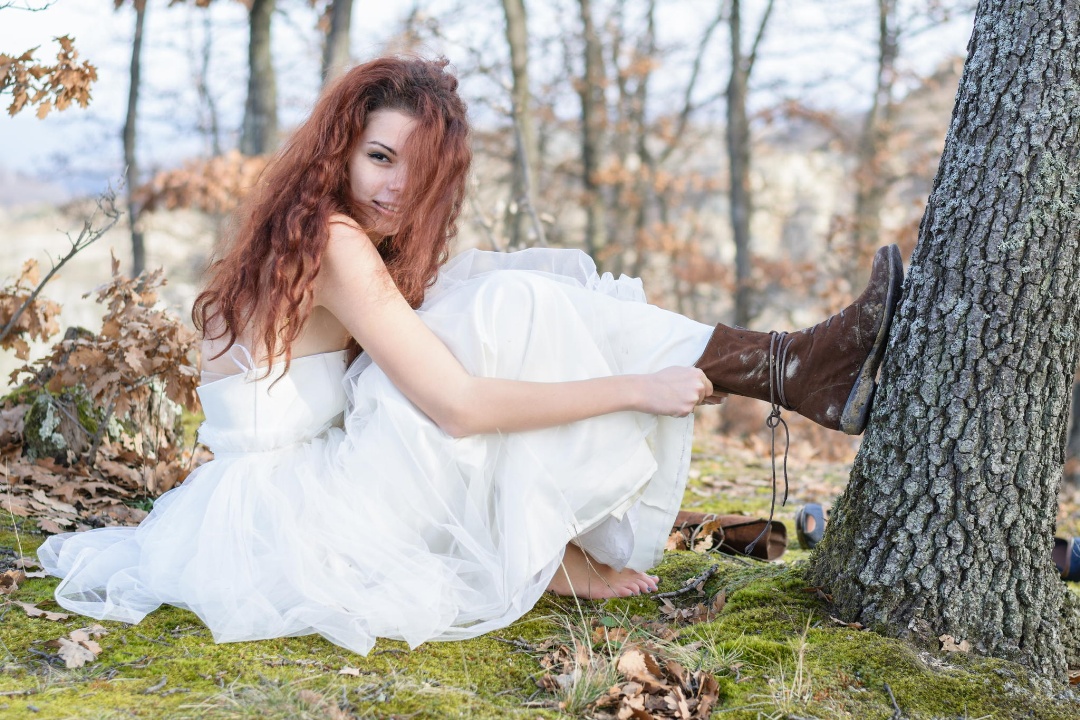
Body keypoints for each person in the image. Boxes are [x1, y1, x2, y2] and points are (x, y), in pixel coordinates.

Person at [38, 56, 903, 656]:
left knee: (503, 288)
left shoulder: (307, 234)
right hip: (299, 520)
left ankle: (795, 369)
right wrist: (638, 387)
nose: (393, 188)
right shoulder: (333, 242)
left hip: (254, 505)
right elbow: (456, 406)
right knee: (509, 304)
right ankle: (789, 369)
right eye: (379, 156)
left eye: (416, 173)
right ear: (337, 146)